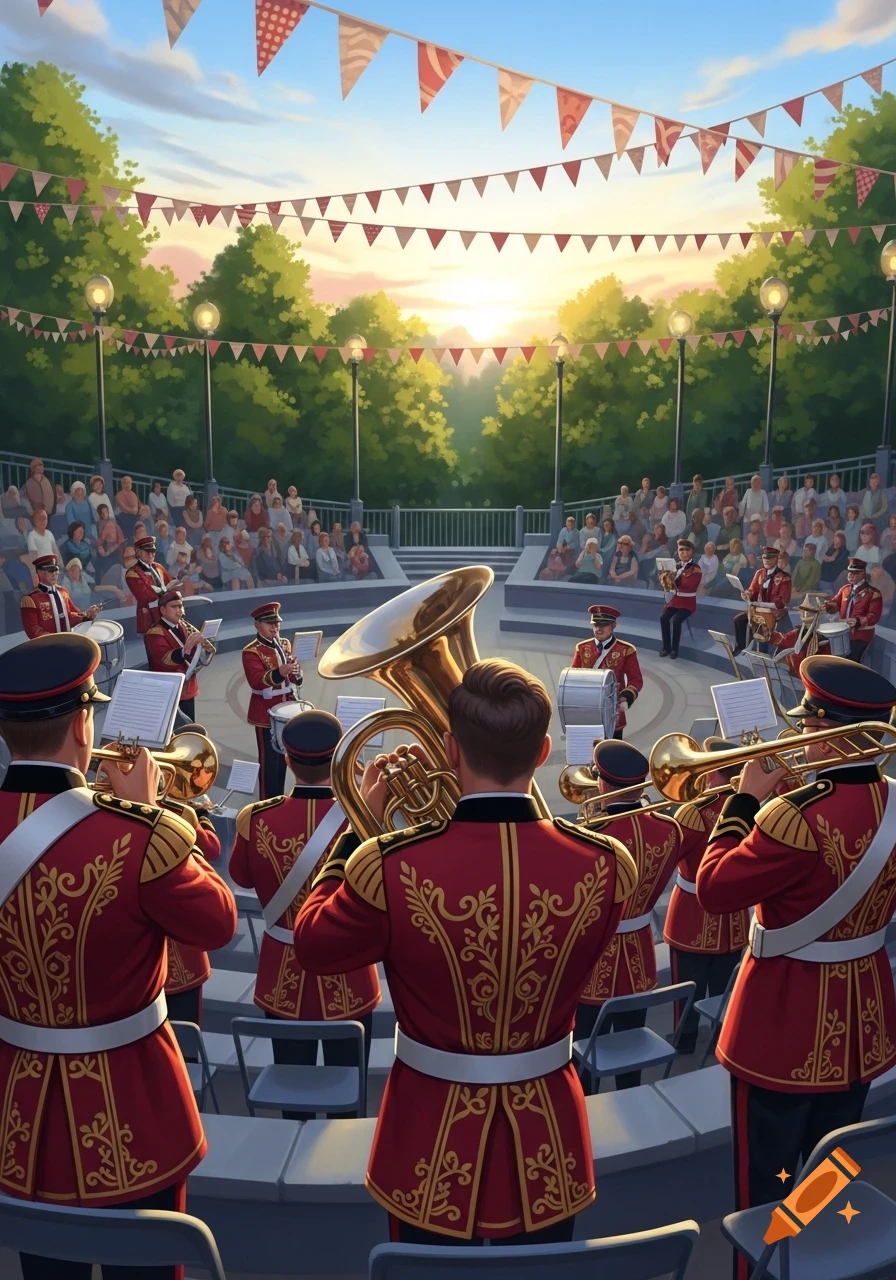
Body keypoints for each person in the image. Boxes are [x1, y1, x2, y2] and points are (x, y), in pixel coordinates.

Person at [294, 659, 637, 1245]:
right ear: (544, 750)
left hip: (426, 1134)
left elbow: (314, 944)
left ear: (449, 749)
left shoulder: (388, 864)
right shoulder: (607, 864)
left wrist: (358, 829)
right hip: (547, 1142)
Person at [0, 633, 237, 1279]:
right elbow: (218, 922)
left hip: (19, 1120)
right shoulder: (138, 833)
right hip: (138, 1111)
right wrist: (154, 811)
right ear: (84, 723)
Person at [696, 656, 896, 1280]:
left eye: (808, 720)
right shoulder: (893, 804)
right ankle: (818, 1261)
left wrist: (743, 799)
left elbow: (714, 889)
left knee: (767, 1179)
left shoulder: (793, 815)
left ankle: (764, 1271)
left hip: (782, 1026)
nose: (798, 732)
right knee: (827, 1167)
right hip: (864, 1021)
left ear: (833, 733)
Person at [230, 709, 381, 1119]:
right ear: (339, 760)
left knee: (291, 1092)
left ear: (289, 760)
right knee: (349, 1093)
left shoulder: (255, 818)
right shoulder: (364, 822)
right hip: (349, 976)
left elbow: (240, 877)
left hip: (281, 975)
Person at [577, 739, 681, 1089]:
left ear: (603, 784)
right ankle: (631, 1095)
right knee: (632, 1042)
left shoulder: (591, 836)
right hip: (640, 954)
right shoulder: (669, 830)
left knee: (585, 1046)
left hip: (595, 958)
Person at [664, 740, 748, 1056]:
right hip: (735, 921)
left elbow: (667, 856)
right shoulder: (753, 805)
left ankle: (684, 1044)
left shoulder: (693, 811)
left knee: (685, 992)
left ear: (712, 769)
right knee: (723, 993)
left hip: (691, 918)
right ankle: (719, 1044)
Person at [242, 602, 303, 799]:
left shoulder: (284, 643)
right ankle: (267, 800)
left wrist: (296, 674)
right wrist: (279, 672)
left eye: (276, 623)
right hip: (266, 711)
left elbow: (291, 675)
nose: (274, 627)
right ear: (257, 625)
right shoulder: (251, 651)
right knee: (269, 761)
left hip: (286, 707)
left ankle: (278, 797)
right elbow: (257, 681)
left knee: (283, 757)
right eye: (269, 623)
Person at [570, 604, 643, 738]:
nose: (599, 628)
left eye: (603, 624)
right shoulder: (582, 648)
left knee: (612, 753)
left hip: (613, 711)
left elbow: (636, 679)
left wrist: (626, 697)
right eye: (596, 624)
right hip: (587, 709)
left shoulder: (625, 650)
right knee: (586, 753)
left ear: (613, 625)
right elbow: (573, 677)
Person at [144, 587, 209, 724]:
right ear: (162, 610)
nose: (179, 610)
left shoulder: (184, 625)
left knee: (190, 724)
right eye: (174, 607)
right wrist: (187, 648)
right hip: (169, 689)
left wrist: (203, 644)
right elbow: (165, 659)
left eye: (181, 606)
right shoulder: (154, 633)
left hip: (187, 686)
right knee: (175, 728)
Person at [732, 545, 792, 656]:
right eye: (765, 558)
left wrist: (760, 604)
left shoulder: (785, 577)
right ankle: (741, 646)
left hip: (775, 612)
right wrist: (747, 594)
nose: (767, 561)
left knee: (764, 626)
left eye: (770, 558)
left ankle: (764, 652)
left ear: (776, 559)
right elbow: (752, 589)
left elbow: (782, 601)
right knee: (739, 620)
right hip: (758, 610)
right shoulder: (759, 573)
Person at [20, 554, 100, 636]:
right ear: (40, 573)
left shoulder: (63, 592)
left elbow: (70, 616)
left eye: (56, 570)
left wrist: (86, 615)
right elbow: (33, 629)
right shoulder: (31, 599)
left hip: (67, 641)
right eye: (50, 570)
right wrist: (55, 640)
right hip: (46, 646)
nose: (54, 574)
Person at [823, 558, 883, 662]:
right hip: (843, 634)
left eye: (854, 573)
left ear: (863, 573)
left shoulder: (873, 593)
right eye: (849, 572)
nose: (850, 576)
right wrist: (826, 605)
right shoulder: (845, 589)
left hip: (860, 636)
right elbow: (835, 604)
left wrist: (857, 621)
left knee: (849, 661)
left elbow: (873, 617)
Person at [125, 533, 173, 646]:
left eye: (153, 551)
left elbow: (170, 582)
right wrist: (165, 592)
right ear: (139, 552)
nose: (151, 554)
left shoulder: (158, 567)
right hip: (149, 617)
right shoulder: (132, 573)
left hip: (166, 614)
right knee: (154, 648)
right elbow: (144, 596)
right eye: (148, 551)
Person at [659, 538, 702, 659]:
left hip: (688, 601)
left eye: (686, 550)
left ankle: (674, 650)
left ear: (692, 552)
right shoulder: (675, 566)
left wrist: (673, 581)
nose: (683, 552)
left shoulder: (696, 568)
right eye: (681, 550)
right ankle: (666, 647)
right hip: (676, 599)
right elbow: (665, 583)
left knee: (676, 621)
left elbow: (691, 585)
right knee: (663, 618)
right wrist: (664, 577)